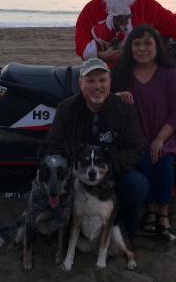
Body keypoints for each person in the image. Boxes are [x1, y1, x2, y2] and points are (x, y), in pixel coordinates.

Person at [44, 58, 149, 235]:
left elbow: (137, 147)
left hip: (111, 171)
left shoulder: (124, 109)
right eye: (90, 81)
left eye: (102, 80)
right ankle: (64, 227)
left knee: (137, 184)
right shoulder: (66, 108)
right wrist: (72, 169)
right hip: (77, 173)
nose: (97, 86)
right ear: (80, 83)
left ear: (110, 82)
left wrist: (108, 169)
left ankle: (124, 228)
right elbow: (52, 146)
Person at [112, 24, 176, 241]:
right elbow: (108, 100)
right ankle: (149, 210)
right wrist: (118, 96)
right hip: (136, 137)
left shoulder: (170, 74)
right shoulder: (122, 73)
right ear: (130, 48)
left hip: (167, 134)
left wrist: (159, 139)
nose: (142, 48)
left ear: (157, 46)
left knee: (162, 162)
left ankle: (162, 211)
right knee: (144, 161)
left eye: (147, 43)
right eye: (136, 44)